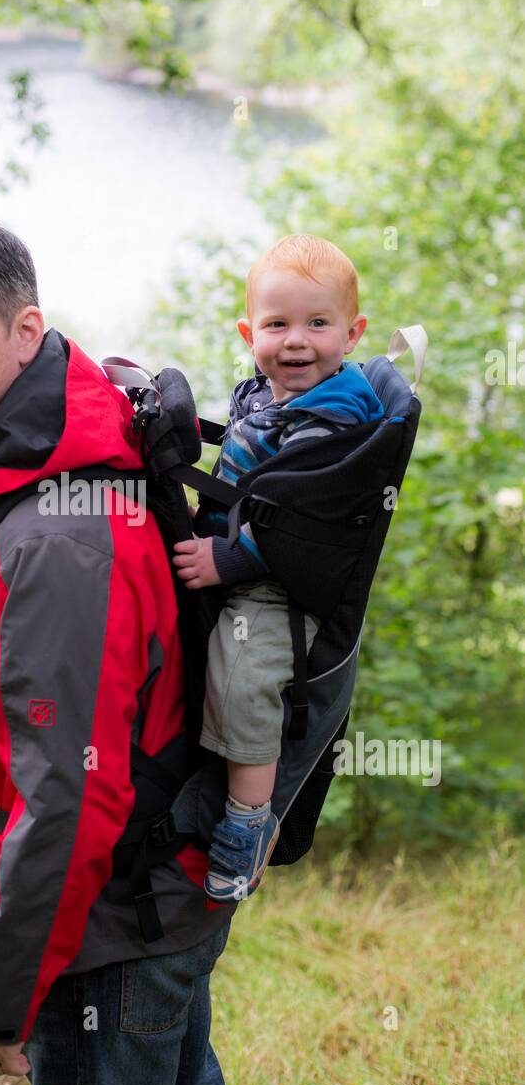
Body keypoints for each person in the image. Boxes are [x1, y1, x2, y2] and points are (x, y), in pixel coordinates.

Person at [0, 216, 241, 1085]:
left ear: (25, 331)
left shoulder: (54, 535)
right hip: (161, 891)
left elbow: (73, 798)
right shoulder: (10, 450)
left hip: (110, 927)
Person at [172, 234, 384, 902]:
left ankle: (246, 822)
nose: (297, 341)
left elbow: (305, 524)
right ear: (249, 332)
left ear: (353, 334)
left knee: (244, 678)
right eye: (278, 325)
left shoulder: (332, 420)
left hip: (275, 587)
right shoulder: (266, 396)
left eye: (318, 324)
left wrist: (226, 559)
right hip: (241, 546)